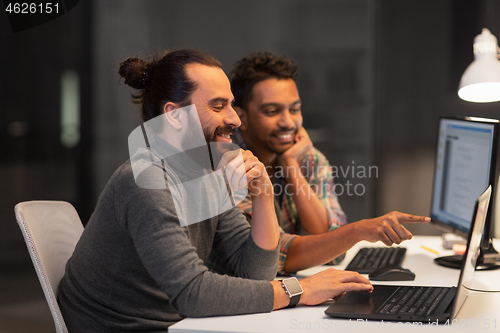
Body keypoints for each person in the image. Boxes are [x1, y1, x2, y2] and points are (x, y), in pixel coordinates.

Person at [57, 49, 374, 331]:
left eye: (232, 105)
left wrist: (262, 193)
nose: (235, 119)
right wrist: (300, 290)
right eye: (219, 106)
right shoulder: (147, 181)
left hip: (176, 322)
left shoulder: (205, 171)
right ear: (175, 115)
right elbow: (193, 294)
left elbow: (253, 273)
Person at [224, 52, 431, 274]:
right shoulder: (230, 165)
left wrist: (291, 165)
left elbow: (330, 245)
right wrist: (357, 231)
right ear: (241, 118)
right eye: (272, 111)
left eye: (294, 109)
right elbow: (273, 256)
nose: (288, 122)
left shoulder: (308, 158)